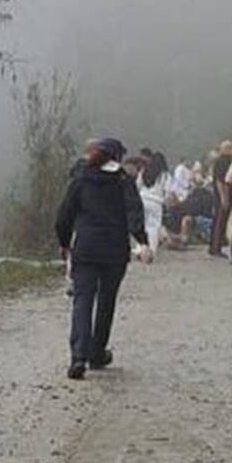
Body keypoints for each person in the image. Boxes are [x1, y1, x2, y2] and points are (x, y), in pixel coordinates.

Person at [55, 138, 151, 380]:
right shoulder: (122, 181)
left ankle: (78, 357)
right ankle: (96, 352)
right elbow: (134, 212)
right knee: (106, 301)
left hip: (85, 248)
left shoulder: (80, 179)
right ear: (116, 157)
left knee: (82, 301)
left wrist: (64, 243)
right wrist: (143, 242)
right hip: (115, 251)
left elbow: (64, 215)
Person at [137, 152, 171, 257]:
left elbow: (138, 185)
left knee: (142, 226)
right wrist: (164, 201)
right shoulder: (165, 175)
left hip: (142, 199)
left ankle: (140, 250)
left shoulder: (144, 171)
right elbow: (168, 191)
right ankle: (151, 251)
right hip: (156, 202)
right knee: (153, 227)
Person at [208, 140, 232, 259]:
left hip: (222, 196)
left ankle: (214, 246)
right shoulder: (222, 162)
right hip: (222, 196)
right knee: (220, 222)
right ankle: (216, 247)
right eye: (229, 148)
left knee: (219, 222)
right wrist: (224, 198)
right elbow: (220, 181)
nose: (231, 150)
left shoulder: (224, 161)